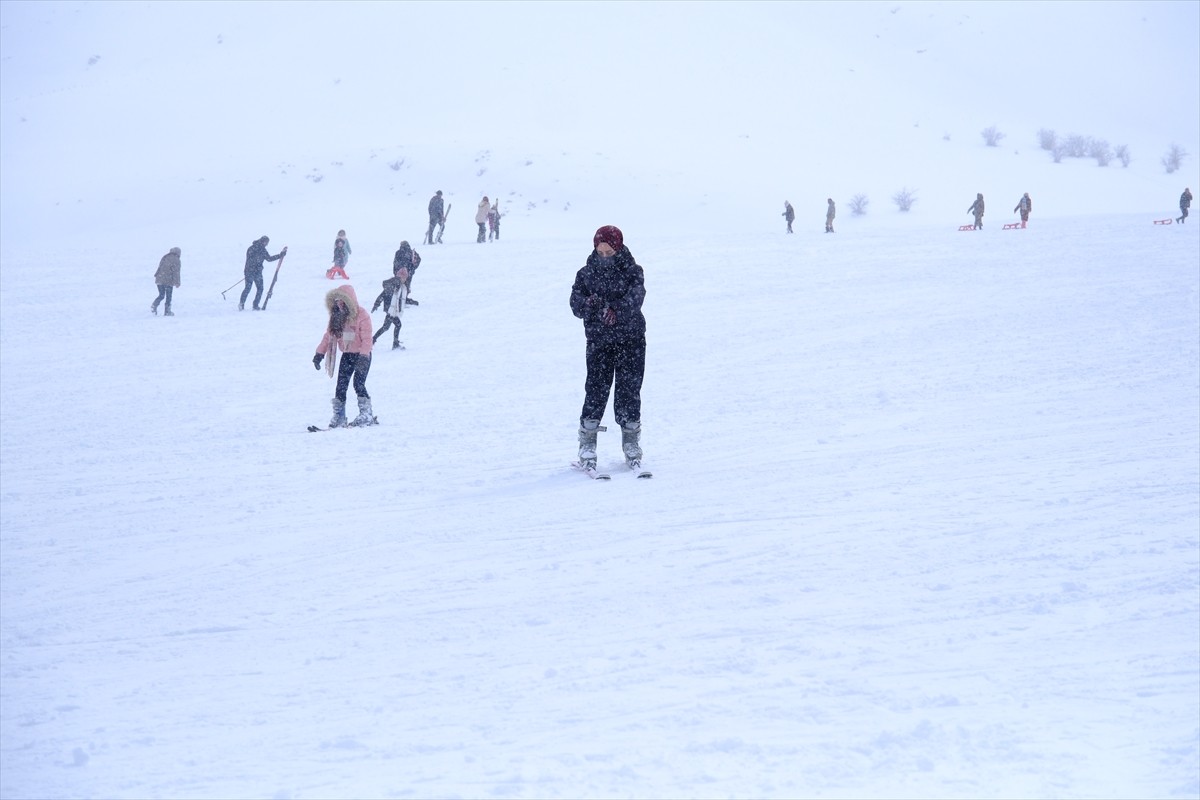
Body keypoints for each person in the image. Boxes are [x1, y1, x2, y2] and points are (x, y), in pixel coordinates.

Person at [569, 225, 647, 469]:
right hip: (599, 342)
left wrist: (617, 311)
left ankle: (631, 442)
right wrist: (589, 303)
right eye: (600, 252)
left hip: (630, 340)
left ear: (618, 248)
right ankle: (587, 444)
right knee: (595, 389)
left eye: (609, 252)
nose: (604, 256)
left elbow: (636, 297)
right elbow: (575, 303)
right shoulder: (585, 274)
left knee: (629, 390)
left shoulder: (633, 271)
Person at [312, 284, 375, 427]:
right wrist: (319, 354)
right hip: (347, 356)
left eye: (342, 300)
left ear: (349, 301)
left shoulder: (362, 316)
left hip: (361, 356)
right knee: (341, 386)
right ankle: (339, 417)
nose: (339, 304)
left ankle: (366, 414)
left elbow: (367, 339)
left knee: (358, 384)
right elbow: (328, 337)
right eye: (336, 300)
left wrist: (364, 357)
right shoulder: (336, 318)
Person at [240, 236, 287, 310]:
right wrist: (254, 268)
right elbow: (250, 260)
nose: (267, 244)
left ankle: (255, 305)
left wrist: (280, 255)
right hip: (249, 272)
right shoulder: (252, 248)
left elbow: (269, 259)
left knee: (260, 288)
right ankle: (241, 304)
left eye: (267, 243)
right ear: (262, 241)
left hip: (258, 272)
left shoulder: (263, 250)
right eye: (266, 242)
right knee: (248, 288)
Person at [371, 265, 408, 350]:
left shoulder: (397, 285)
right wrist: (376, 304)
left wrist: (376, 304)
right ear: (401, 277)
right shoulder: (394, 285)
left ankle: (374, 339)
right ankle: (375, 340)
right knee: (392, 326)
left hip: (392, 310)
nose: (405, 279)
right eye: (404, 277)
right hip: (391, 310)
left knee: (387, 327)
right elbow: (383, 295)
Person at [151, 246, 181, 316]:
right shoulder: (176, 259)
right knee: (168, 297)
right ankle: (167, 311)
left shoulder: (165, 257)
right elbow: (176, 272)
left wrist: (156, 276)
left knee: (161, 295)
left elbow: (160, 267)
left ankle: (154, 306)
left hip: (159, 279)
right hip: (168, 280)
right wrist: (177, 282)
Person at [393, 240, 422, 306]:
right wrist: (413, 268)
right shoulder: (412, 252)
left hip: (399, 273)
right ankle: (403, 299)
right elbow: (418, 260)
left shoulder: (398, 252)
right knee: (406, 286)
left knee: (399, 286)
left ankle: (400, 299)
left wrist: (395, 272)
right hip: (408, 273)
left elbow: (395, 263)